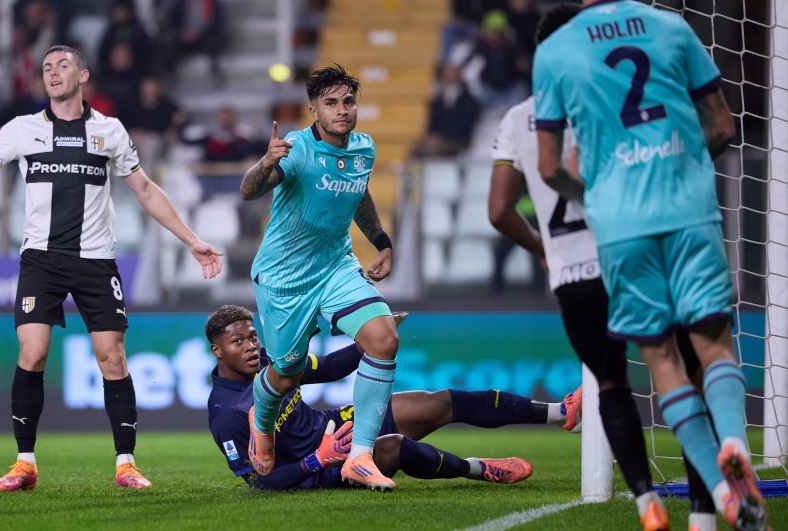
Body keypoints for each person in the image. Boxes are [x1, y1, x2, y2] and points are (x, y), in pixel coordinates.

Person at [0, 45, 224, 492]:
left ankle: (126, 463)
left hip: (95, 261)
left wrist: (192, 241)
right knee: (31, 354)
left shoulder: (109, 131)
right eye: (47, 67)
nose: (53, 73)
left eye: (63, 65)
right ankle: (25, 462)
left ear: (84, 74)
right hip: (41, 261)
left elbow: (146, 190)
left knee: (112, 358)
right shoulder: (22, 130)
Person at [533, 1, 766, 530]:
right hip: (689, 210)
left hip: (620, 225)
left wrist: (596, 196)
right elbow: (724, 127)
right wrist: (680, 169)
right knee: (713, 344)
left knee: (661, 357)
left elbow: (551, 167)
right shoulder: (672, 26)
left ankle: (726, 495)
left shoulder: (556, 48)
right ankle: (733, 443)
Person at [487, 7, 717, 531]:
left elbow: (499, 211)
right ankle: (703, 513)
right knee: (689, 374)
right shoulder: (609, 98)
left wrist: (545, 249)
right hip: (636, 252)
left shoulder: (516, 119)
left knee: (609, 385)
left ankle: (644, 501)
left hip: (573, 278)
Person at [206, 305, 581, 490]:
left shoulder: (271, 364)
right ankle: (479, 468)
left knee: (439, 401)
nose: (252, 347)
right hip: (321, 467)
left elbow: (331, 369)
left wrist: (373, 338)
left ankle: (559, 413)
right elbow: (258, 482)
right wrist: (317, 460)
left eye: (253, 336)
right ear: (217, 351)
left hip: (335, 423)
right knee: (395, 448)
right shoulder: (226, 414)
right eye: (238, 342)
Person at [239, 64, 401, 490]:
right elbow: (249, 190)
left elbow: (359, 192)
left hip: (335, 266)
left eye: (348, 101)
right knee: (288, 373)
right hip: (283, 278)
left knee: (384, 338)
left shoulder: (363, 149)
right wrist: (265, 162)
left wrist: (381, 240)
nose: (341, 110)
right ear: (315, 112)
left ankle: (360, 456)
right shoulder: (297, 148)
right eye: (330, 103)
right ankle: (263, 417)